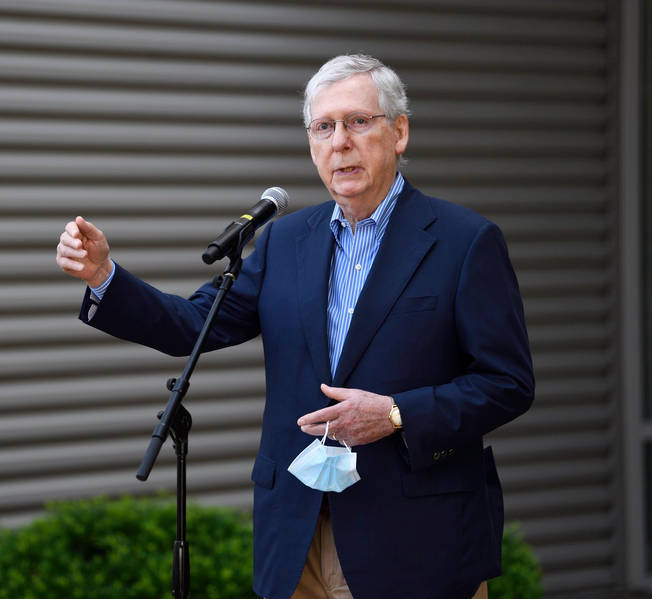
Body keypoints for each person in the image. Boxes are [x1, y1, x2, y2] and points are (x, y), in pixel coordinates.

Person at [56, 54, 533, 599]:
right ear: (311, 144)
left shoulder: (464, 241)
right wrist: (104, 277)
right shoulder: (285, 241)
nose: (340, 142)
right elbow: (194, 324)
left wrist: (396, 413)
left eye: (358, 122)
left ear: (399, 132)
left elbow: (507, 383)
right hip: (298, 531)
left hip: (414, 540)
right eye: (323, 127)